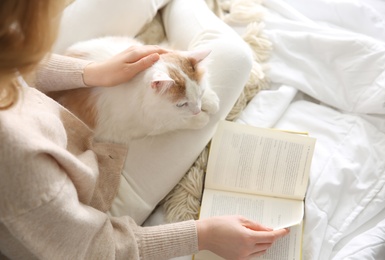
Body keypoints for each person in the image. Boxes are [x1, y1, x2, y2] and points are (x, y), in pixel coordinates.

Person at [0, 0, 289, 259]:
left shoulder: (9, 55)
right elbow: (91, 249)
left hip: (51, 120)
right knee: (236, 56)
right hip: (88, 191)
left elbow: (12, 67)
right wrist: (203, 235)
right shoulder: (18, 161)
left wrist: (90, 72)